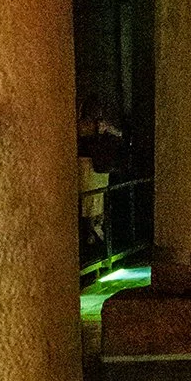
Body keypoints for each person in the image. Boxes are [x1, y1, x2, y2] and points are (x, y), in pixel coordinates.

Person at [77, 99, 124, 262]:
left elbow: (118, 136)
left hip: (96, 169)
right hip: (91, 169)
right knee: (91, 203)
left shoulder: (96, 127)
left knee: (95, 202)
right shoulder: (85, 127)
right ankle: (94, 236)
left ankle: (95, 236)